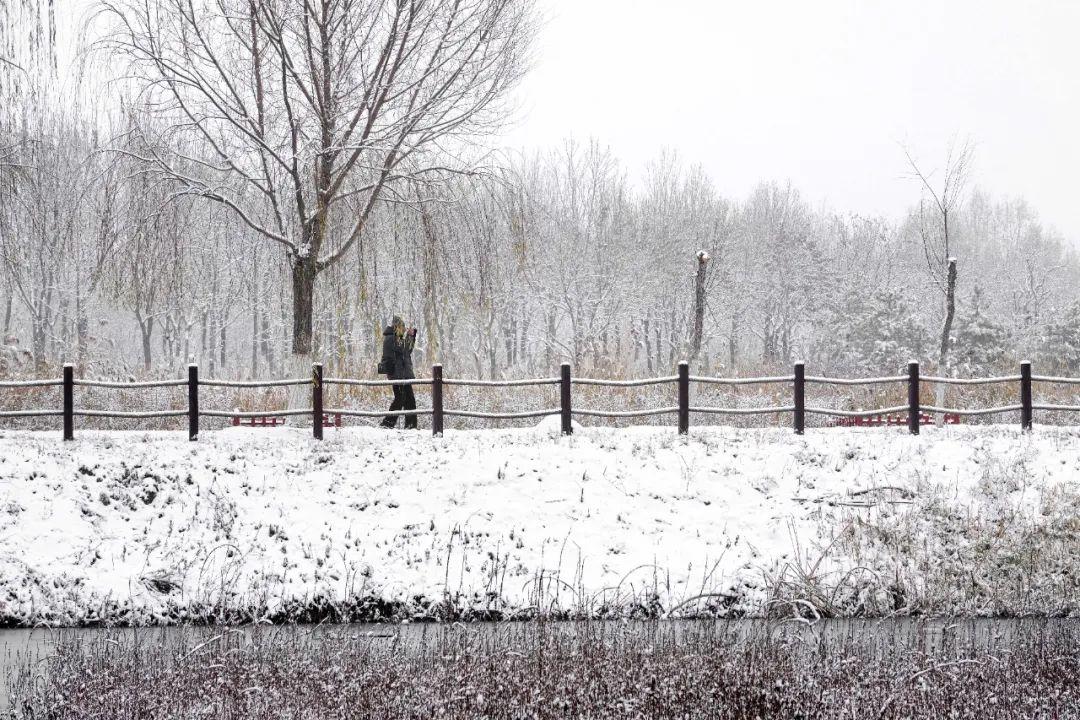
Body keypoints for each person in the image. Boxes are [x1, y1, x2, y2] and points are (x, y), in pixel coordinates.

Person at [379, 316, 418, 429]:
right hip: (398, 374)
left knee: (409, 400)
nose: (404, 329)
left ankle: (410, 425)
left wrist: (411, 337)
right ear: (397, 327)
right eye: (403, 327)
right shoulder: (391, 338)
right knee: (400, 399)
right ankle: (387, 424)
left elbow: (408, 350)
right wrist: (410, 336)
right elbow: (404, 348)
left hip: (403, 374)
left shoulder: (397, 338)